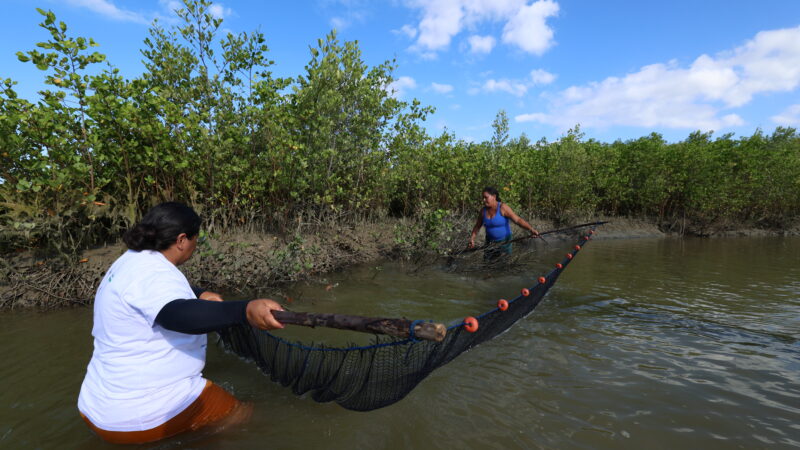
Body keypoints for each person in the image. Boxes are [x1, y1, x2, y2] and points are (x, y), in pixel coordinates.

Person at [77, 202, 284, 445]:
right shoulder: (155, 273)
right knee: (246, 419)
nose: (196, 246)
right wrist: (245, 310)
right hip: (138, 415)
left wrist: (198, 294)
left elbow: (154, 296)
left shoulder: (131, 261)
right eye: (196, 239)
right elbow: (179, 316)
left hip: (95, 407)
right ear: (182, 240)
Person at [469, 187, 539, 259]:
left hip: (505, 242)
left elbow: (518, 220)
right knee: (488, 265)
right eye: (483, 198)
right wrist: (472, 239)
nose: (484, 200)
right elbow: (477, 226)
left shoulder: (503, 208)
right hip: (489, 243)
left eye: (486, 197)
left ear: (494, 197)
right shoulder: (483, 211)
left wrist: (531, 229)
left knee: (504, 264)